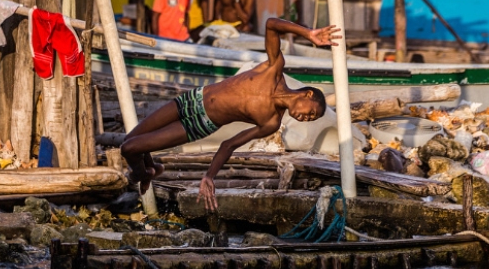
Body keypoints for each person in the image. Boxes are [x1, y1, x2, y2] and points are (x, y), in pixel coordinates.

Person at [120, 18, 341, 208]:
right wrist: (308, 33)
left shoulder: (271, 122)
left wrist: (209, 176)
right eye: (311, 113)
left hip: (200, 124)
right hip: (192, 99)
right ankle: (149, 169)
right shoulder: (274, 68)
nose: (306, 118)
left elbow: (229, 144)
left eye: (311, 119)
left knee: (128, 148)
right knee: (131, 140)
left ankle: (145, 173)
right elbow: (271, 24)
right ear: (308, 94)